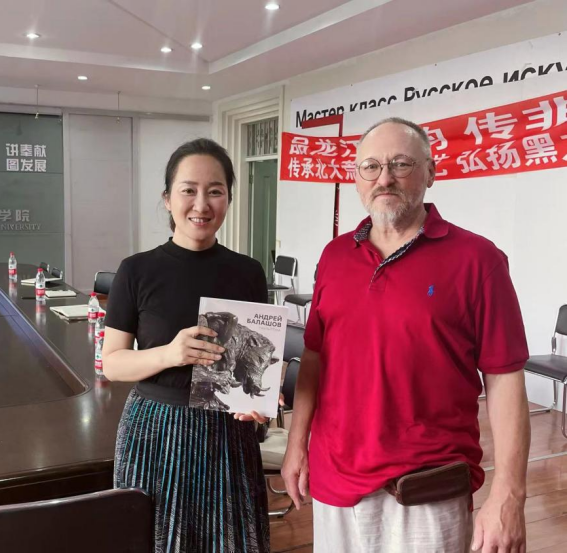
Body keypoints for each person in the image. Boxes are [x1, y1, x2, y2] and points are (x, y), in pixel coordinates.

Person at [281, 117, 531, 553]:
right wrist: (296, 443)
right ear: (357, 177)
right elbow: (315, 356)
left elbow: (505, 377)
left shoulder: (478, 260)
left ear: (430, 173)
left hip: (426, 489)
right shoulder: (335, 256)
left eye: (400, 164)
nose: (384, 178)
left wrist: (509, 494)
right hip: (335, 479)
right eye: (371, 166)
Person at [102, 138, 271, 553]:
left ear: (228, 199)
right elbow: (113, 363)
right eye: (188, 190)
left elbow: (252, 361)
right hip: (155, 430)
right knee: (158, 540)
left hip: (227, 432)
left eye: (215, 191)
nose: (201, 204)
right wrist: (170, 354)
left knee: (230, 541)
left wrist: (258, 403)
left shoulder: (248, 272)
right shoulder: (136, 271)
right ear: (167, 199)